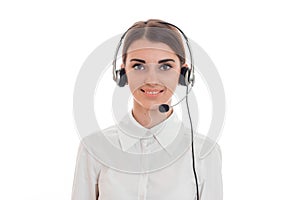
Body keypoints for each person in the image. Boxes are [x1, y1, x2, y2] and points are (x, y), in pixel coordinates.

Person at [71, 19, 223, 200]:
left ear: (184, 74)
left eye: (165, 66)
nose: (152, 79)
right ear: (122, 73)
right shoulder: (94, 148)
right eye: (139, 66)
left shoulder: (203, 152)